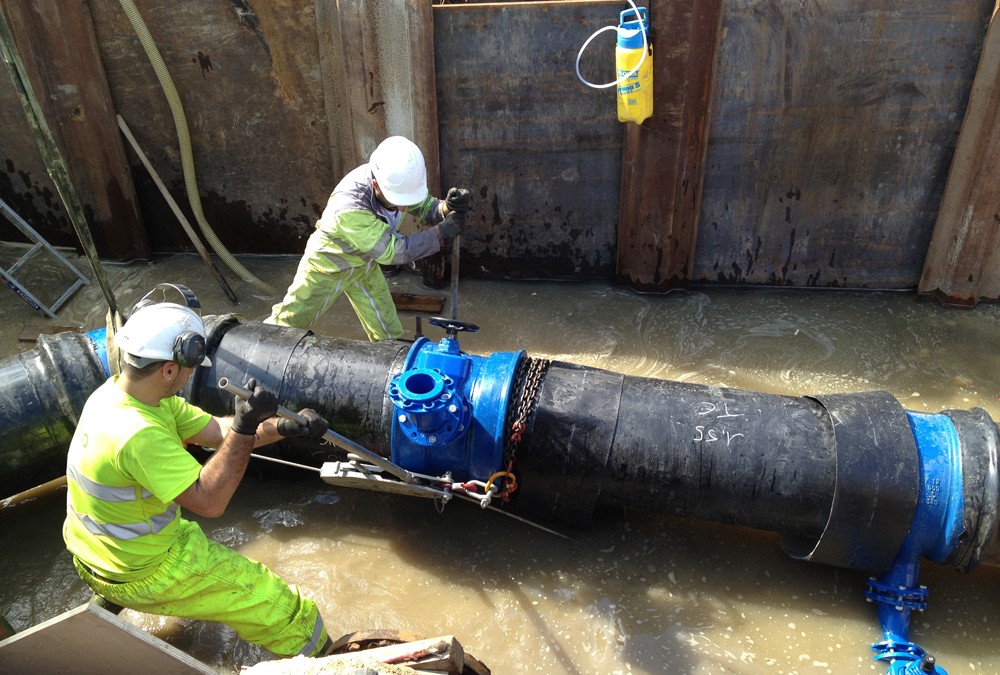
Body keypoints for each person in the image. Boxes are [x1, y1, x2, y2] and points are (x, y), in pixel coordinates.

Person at [63, 295, 334, 658]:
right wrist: (244, 426)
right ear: (170, 370)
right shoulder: (138, 433)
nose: (194, 374)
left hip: (91, 556)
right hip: (143, 571)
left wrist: (284, 427)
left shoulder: (119, 395)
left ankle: (105, 608)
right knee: (282, 607)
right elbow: (210, 501)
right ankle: (327, 658)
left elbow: (220, 432)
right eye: (190, 368)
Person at [265, 135, 471, 340]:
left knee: (388, 331)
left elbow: (424, 206)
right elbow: (394, 252)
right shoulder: (350, 207)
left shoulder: (394, 184)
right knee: (289, 323)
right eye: (399, 201)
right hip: (328, 265)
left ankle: (392, 357)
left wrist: (446, 208)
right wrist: (441, 233)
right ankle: (254, 347)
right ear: (375, 185)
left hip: (364, 265)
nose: (403, 208)